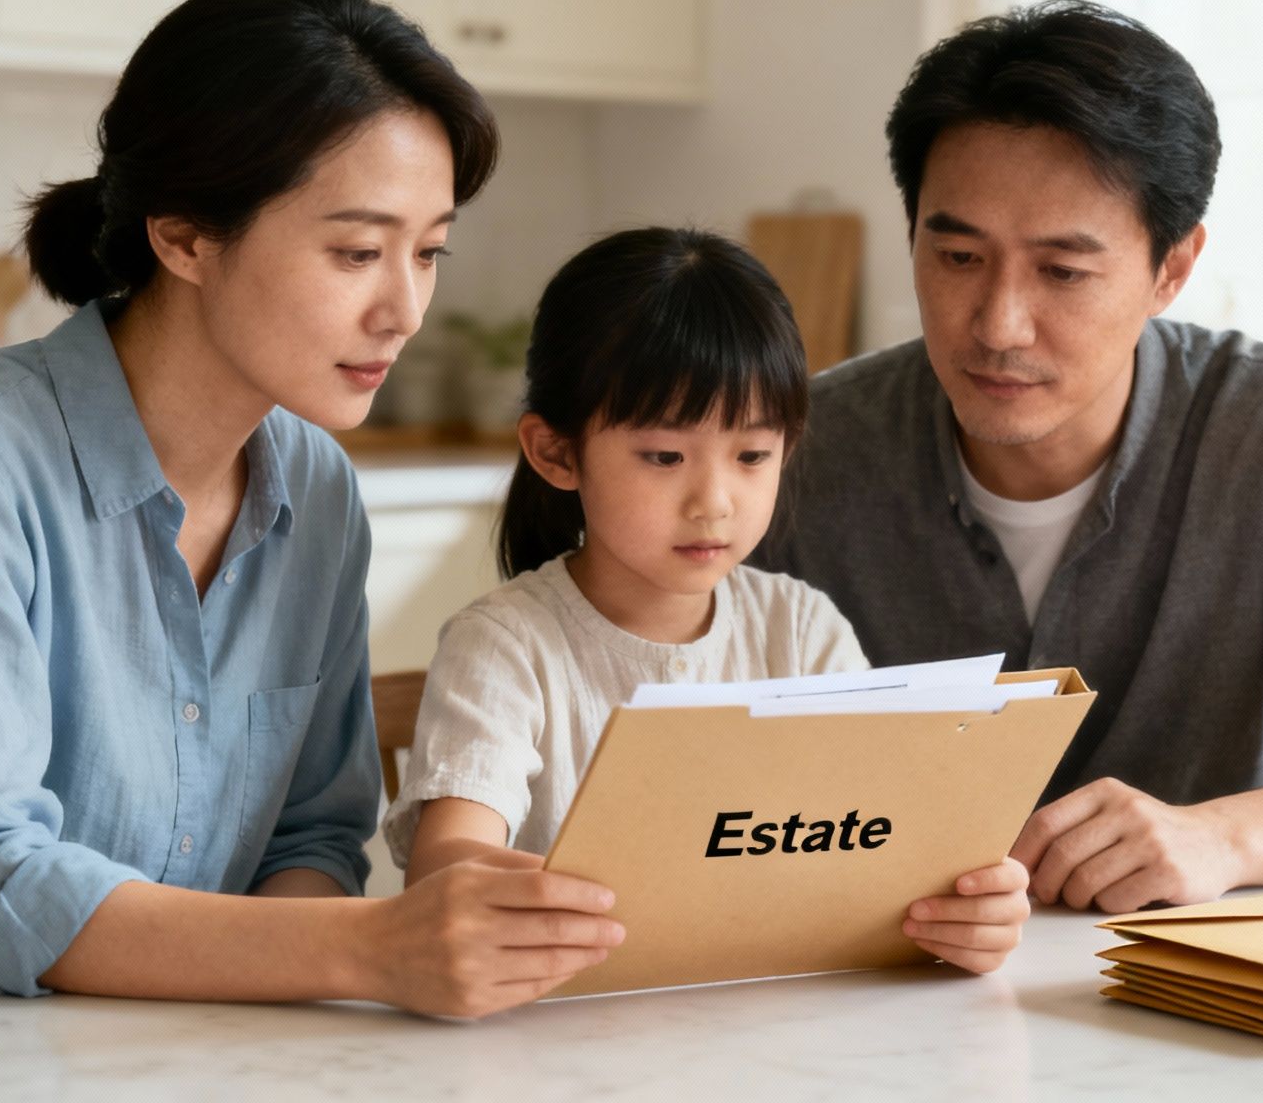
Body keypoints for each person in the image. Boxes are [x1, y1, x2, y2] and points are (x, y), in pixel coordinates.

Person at [0, 0, 621, 1024]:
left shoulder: (314, 485)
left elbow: (308, 838)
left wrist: (317, 976)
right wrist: (367, 949)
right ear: (183, 239)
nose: (403, 308)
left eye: (428, 252)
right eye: (356, 252)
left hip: (159, 1029)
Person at [751, 0, 1263, 916]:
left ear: (1173, 268)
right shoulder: (796, 449)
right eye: (957, 255)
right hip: (861, 986)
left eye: (1063, 272)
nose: (998, 325)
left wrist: (1225, 838)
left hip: (1183, 998)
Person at [388, 227, 1034, 975]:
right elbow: (443, 867)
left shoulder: (802, 630)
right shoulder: (506, 645)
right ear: (556, 453)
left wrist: (963, 906)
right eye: (664, 457)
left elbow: (887, 842)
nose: (714, 503)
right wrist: (617, 897)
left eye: (752, 456)